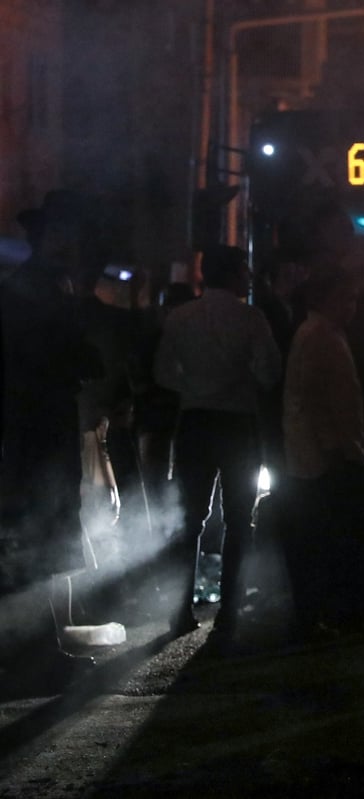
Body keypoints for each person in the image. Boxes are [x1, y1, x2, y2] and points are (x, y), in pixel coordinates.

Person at [0, 190, 106, 688]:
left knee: (39, 537)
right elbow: (49, 358)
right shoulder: (34, 288)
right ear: (52, 235)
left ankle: (38, 648)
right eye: (68, 233)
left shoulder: (40, 284)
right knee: (38, 537)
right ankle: (36, 653)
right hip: (35, 429)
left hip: (37, 428)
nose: (75, 242)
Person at [154, 246, 281, 644]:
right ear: (234, 274)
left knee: (190, 519)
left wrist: (194, 386)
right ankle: (228, 613)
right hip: (237, 424)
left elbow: (161, 372)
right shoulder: (251, 318)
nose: (249, 276)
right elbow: (270, 374)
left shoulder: (180, 317)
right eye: (244, 270)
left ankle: (179, 612)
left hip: (194, 421)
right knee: (239, 519)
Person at [281, 266, 364, 637]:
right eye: (347, 298)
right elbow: (313, 399)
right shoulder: (319, 334)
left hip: (332, 450)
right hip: (329, 456)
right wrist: (336, 446)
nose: (352, 306)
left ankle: (341, 612)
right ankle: (341, 614)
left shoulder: (323, 333)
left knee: (337, 537)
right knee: (339, 537)